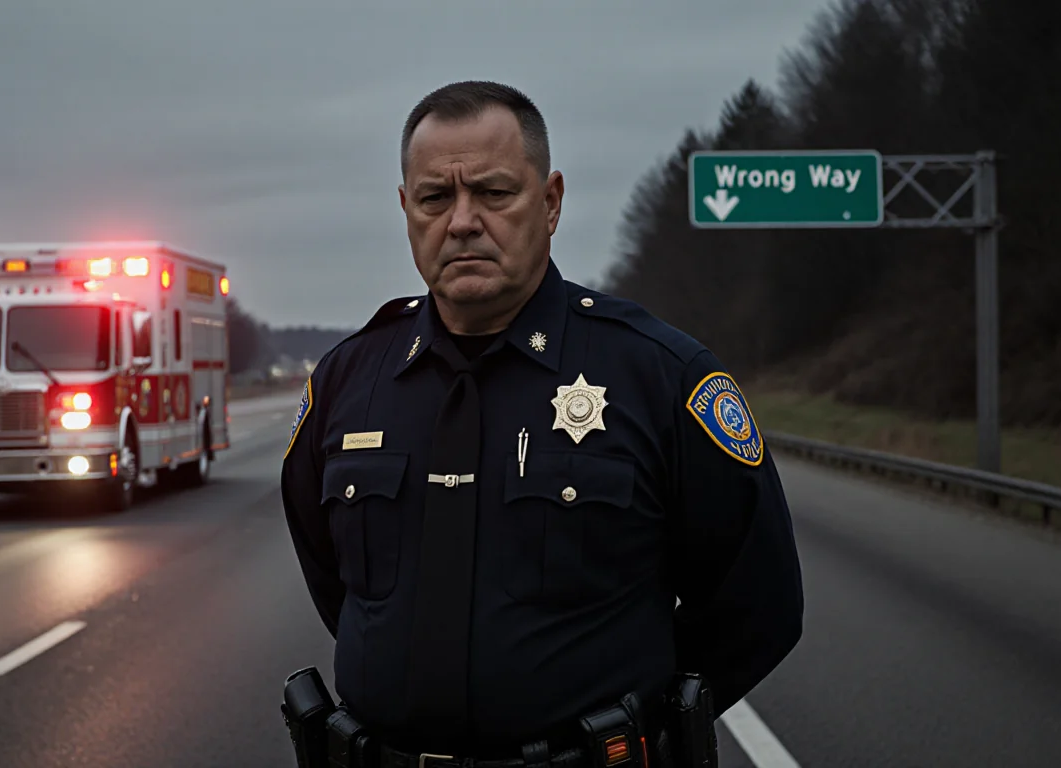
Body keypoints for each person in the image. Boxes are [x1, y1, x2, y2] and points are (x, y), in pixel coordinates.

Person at [280, 80, 804, 766]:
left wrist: (640, 726)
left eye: (494, 193)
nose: (462, 221)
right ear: (406, 209)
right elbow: (338, 586)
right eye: (435, 198)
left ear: (550, 202)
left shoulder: (658, 376)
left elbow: (759, 603)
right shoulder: (348, 384)